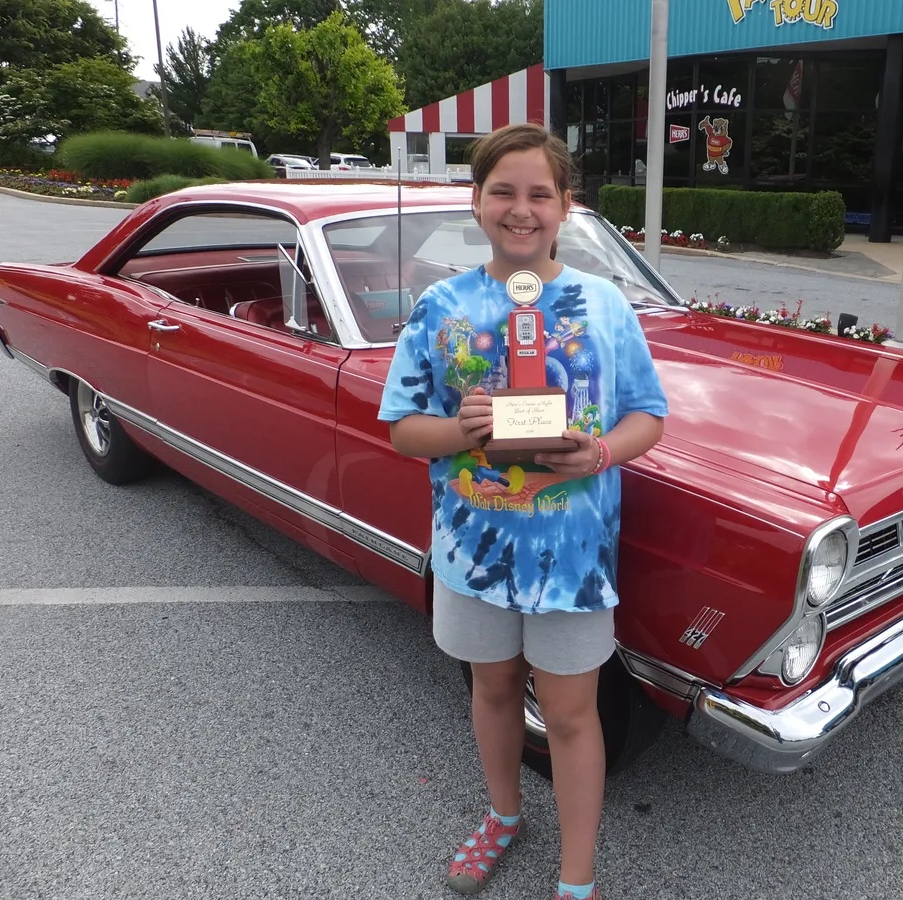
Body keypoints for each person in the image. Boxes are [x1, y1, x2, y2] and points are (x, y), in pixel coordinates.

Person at [377, 123, 668, 900]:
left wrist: (599, 453)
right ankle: (504, 815)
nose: (521, 208)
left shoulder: (604, 304)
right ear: (476, 201)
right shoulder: (441, 306)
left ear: (566, 205)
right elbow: (404, 429)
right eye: (503, 191)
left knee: (570, 713)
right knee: (496, 688)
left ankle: (577, 878)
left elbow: (648, 415)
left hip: (572, 558)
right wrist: (462, 430)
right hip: (474, 550)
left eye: (540, 193)